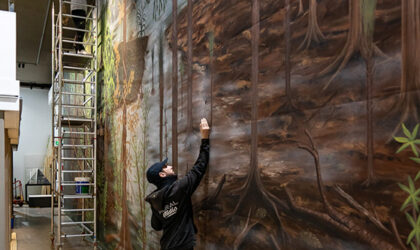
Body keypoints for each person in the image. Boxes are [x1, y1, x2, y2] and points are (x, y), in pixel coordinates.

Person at [146, 118, 210, 250]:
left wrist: (167, 212)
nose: (169, 166)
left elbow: (156, 226)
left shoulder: (155, 199)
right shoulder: (179, 188)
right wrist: (205, 138)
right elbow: (199, 168)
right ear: (162, 175)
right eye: (165, 167)